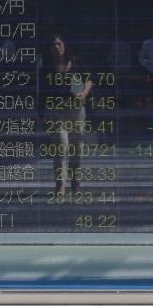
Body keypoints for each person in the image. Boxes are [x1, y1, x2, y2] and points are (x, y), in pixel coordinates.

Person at [38, 34, 92, 196]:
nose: (56, 47)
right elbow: (42, 91)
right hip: (56, 110)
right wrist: (41, 113)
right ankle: (60, 184)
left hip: (76, 110)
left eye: (59, 44)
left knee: (77, 148)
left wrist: (83, 94)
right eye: (53, 45)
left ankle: (75, 181)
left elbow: (88, 80)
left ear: (64, 45)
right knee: (61, 146)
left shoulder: (76, 62)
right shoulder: (46, 67)